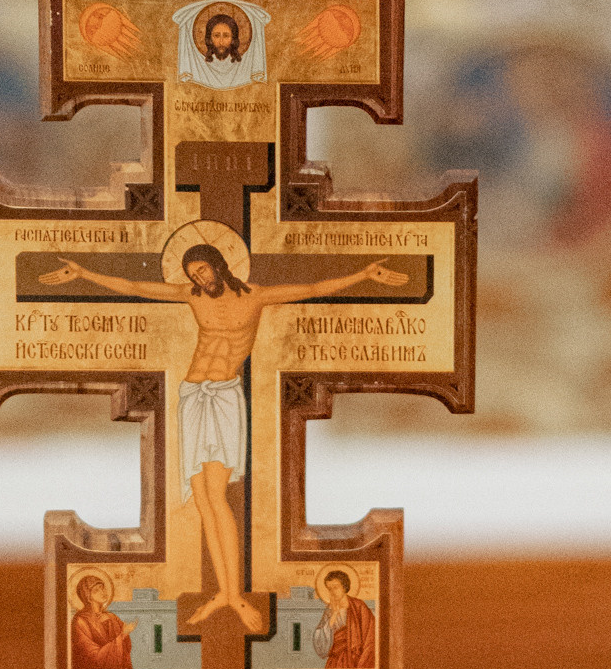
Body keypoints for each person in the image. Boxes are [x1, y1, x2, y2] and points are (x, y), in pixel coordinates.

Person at [37, 239, 406, 622]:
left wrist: (363, 275)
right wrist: (83, 273)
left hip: (226, 397)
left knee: (217, 496)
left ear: (218, 266)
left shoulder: (256, 297)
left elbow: (311, 290)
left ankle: (235, 595)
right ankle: (224, 593)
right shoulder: (192, 297)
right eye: (192, 274)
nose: (199, 278)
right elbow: (135, 287)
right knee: (202, 501)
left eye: (203, 270)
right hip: (193, 395)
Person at [313, 566, 376, 669]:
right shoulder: (329, 609)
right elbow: (320, 637)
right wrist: (334, 613)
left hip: (355, 659)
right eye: (330, 588)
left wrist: (362, 662)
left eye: (335, 587)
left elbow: (371, 634)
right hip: (335, 661)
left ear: (344, 586)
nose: (332, 591)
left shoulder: (358, 606)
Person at [68, 570, 131, 669]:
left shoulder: (112, 617)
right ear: (87, 596)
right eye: (96, 590)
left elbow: (126, 649)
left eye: (102, 588)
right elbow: (92, 656)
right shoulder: (80, 621)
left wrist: (124, 637)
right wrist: (122, 635)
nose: (103, 592)